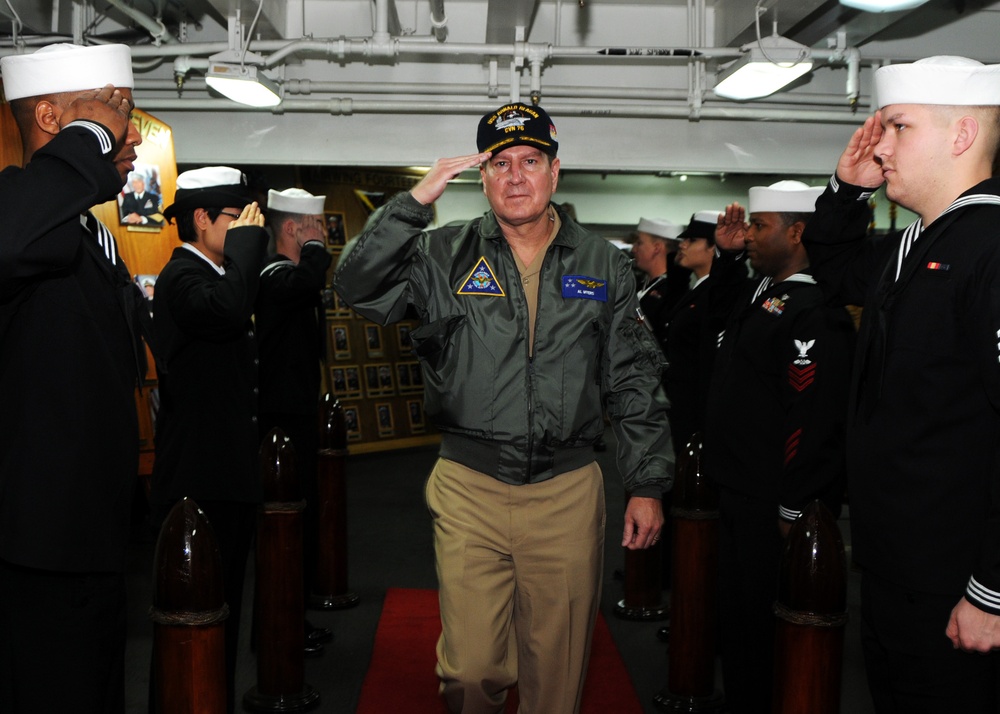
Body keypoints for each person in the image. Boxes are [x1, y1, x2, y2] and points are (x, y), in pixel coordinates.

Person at [333, 102, 672, 714]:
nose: (516, 176)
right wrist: (412, 205)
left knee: (556, 677)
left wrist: (646, 481)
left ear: (555, 171)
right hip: (470, 485)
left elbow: (633, 376)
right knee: (470, 672)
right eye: (500, 164)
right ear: (482, 177)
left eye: (530, 161)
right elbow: (354, 286)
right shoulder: (441, 255)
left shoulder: (604, 264)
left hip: (567, 489)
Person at [802, 56, 1000, 712]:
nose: (878, 145)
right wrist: (847, 191)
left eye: (898, 127)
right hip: (898, 565)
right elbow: (831, 270)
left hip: (958, 576)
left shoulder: (989, 248)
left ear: (961, 136)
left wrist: (991, 591)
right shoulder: (917, 242)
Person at [0, 43, 146, 714]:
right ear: (54, 118)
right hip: (38, 551)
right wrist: (89, 136)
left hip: (95, 533)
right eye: (115, 111)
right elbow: (13, 237)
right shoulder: (23, 218)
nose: (131, 131)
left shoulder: (88, 234)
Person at [707, 180, 856, 714]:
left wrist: (795, 506)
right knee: (740, 616)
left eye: (759, 226)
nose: (748, 235)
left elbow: (814, 420)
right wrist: (725, 260)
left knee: (768, 620)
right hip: (739, 487)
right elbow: (713, 326)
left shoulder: (816, 310)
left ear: (797, 232)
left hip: (772, 499)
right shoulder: (767, 293)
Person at [150, 166, 268, 714]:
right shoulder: (182, 277)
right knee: (197, 617)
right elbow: (226, 312)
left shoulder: (215, 274)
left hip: (224, 471)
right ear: (201, 219)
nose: (248, 229)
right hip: (200, 476)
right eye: (236, 219)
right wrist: (248, 248)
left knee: (222, 610)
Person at [257, 186, 334, 653]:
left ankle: (291, 618)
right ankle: (280, 627)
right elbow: (306, 282)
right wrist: (316, 251)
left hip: (296, 411)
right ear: (293, 229)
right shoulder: (273, 275)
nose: (322, 235)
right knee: (285, 525)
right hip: (280, 419)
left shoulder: (289, 275)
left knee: (301, 521)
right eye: (316, 227)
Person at [632, 216, 685, 351]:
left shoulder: (673, 291)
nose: (634, 249)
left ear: (657, 247)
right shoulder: (639, 286)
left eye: (639, 243)